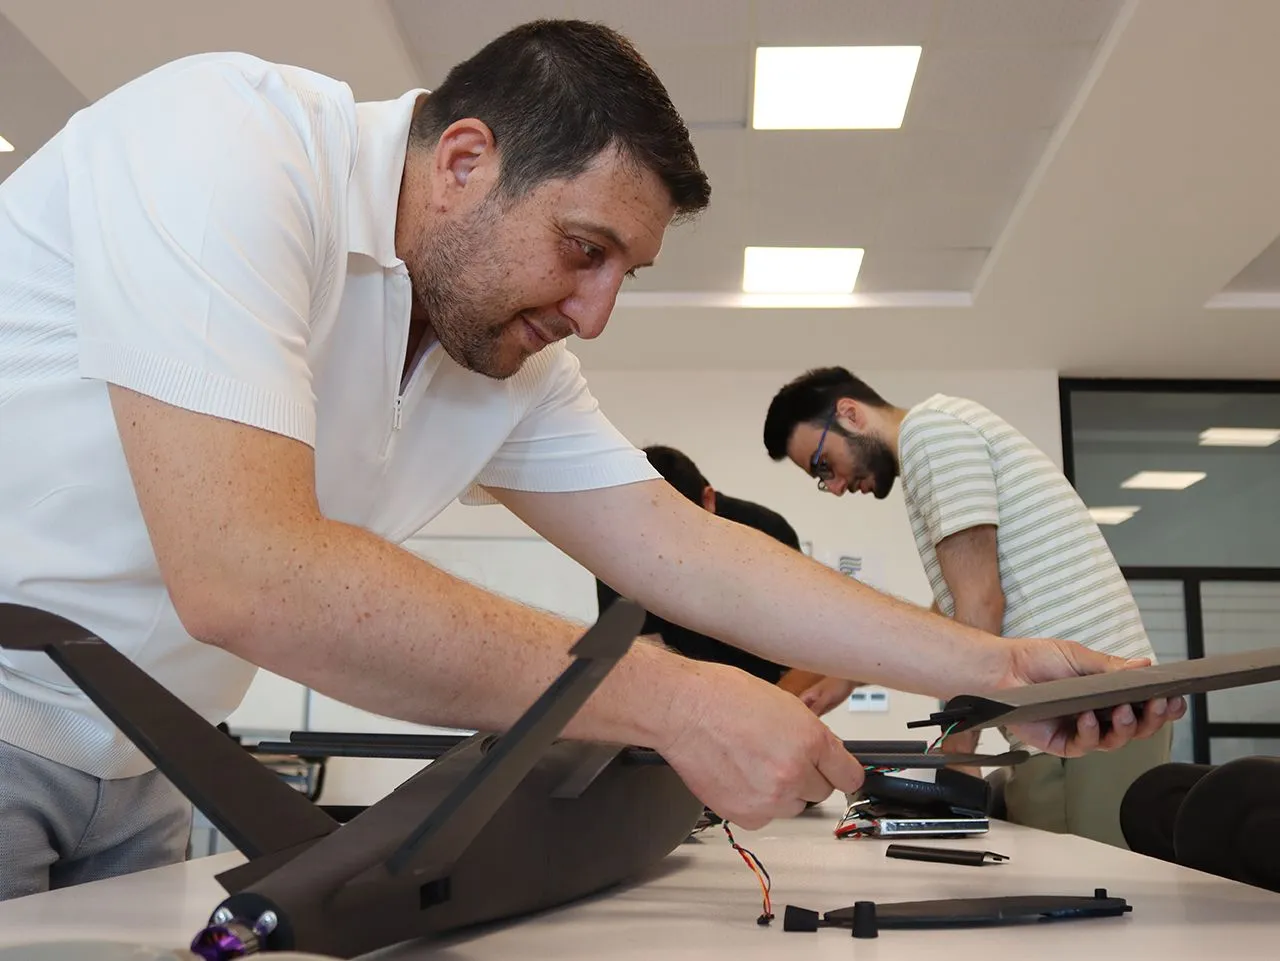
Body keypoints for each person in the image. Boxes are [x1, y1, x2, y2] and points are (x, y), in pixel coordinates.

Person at [0, 21, 1179, 900]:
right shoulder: (225, 144)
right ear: (463, 161)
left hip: (151, 755)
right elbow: (247, 572)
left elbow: (686, 552)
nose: (595, 313)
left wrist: (994, 668)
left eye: (625, 272)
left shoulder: (502, 359)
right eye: (581, 249)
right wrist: (676, 702)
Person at [762, 367, 1175, 847]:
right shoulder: (945, 428)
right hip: (1079, 714)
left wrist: (958, 753)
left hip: (1090, 718)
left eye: (822, 466)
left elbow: (980, 603)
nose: (833, 486)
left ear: (850, 415)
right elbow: (956, 611)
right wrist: (851, 675)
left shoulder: (930, 433)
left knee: (1088, 886)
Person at [596, 446, 858, 716]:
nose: (669, 558)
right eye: (650, 547)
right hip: (682, 706)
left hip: (769, 697)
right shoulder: (616, 552)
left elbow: (813, 649)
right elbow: (645, 664)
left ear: (708, 501)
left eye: (680, 538)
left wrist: (763, 718)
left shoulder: (765, 531)